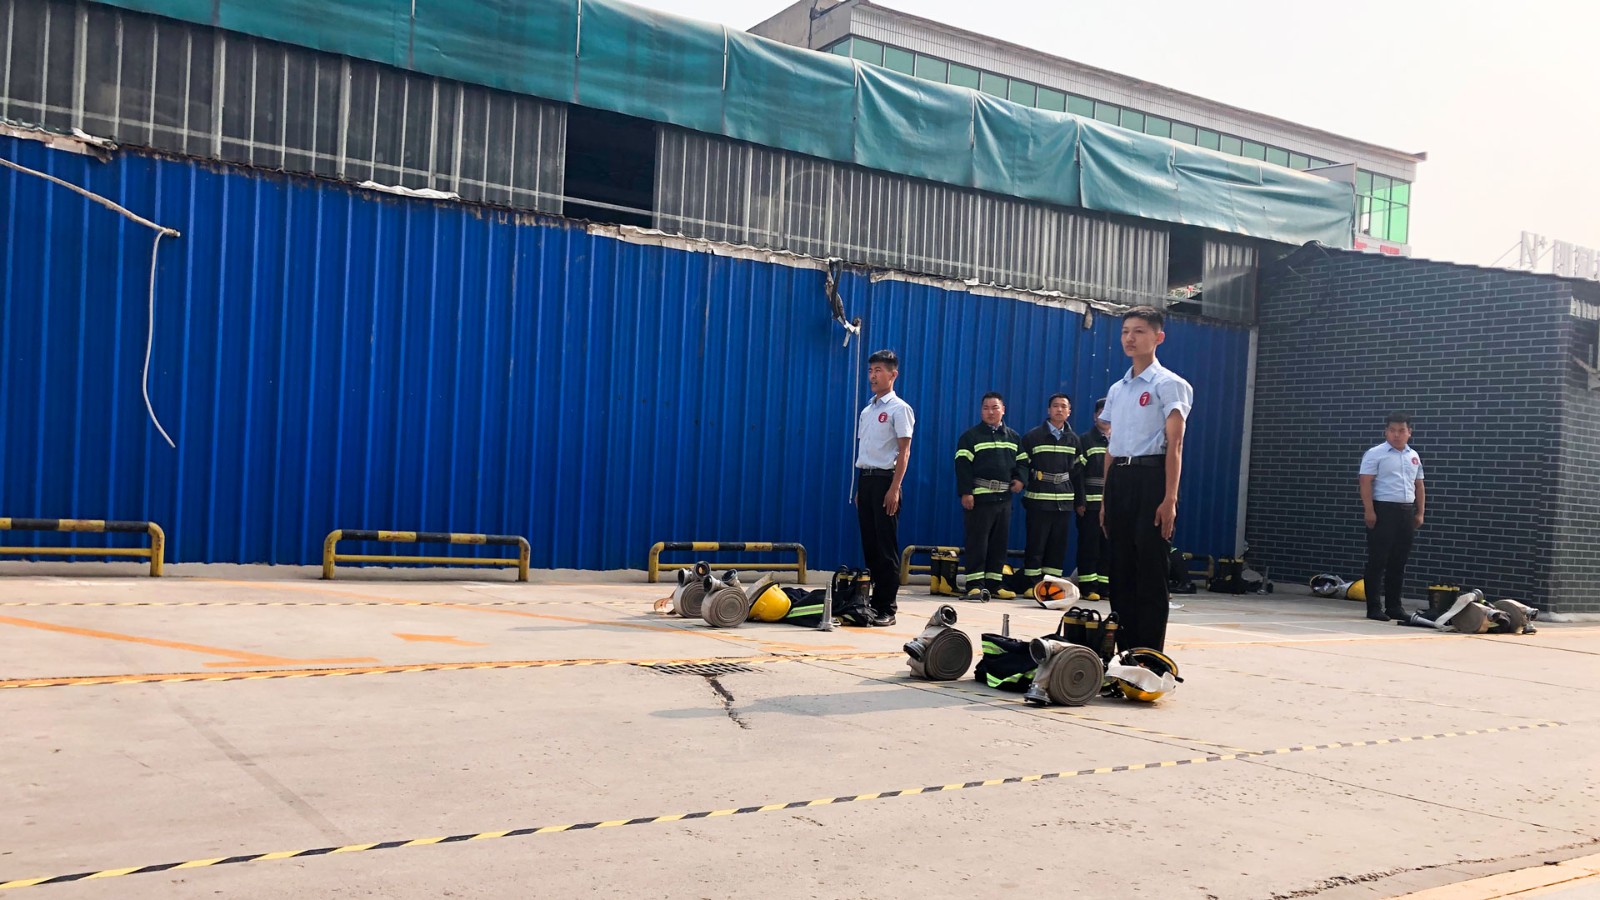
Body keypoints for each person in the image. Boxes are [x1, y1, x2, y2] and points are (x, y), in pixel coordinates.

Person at [1099, 307, 1192, 652]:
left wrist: (1170, 499)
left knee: (1150, 568)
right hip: (1119, 479)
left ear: (1158, 337)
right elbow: (1112, 446)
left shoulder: (1170, 385)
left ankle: (1149, 654)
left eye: (1139, 331)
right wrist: (1105, 499)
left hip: (1151, 477)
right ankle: (1124, 650)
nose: (1130, 338)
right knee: (1120, 568)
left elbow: (1175, 444)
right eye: (1125, 331)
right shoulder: (1117, 389)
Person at [854, 349, 914, 627]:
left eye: (878, 370)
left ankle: (887, 606)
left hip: (885, 481)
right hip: (866, 480)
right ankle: (872, 602)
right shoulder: (867, 410)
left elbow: (904, 452)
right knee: (870, 545)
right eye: (870, 370)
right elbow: (866, 450)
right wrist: (860, 487)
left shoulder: (899, 409)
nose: (873, 376)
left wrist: (894, 488)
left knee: (886, 546)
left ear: (893, 375)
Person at [954, 392, 1024, 599]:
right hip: (980, 499)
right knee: (977, 542)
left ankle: (995, 584)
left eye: (995, 408)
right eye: (986, 408)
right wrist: (966, 492)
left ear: (1003, 410)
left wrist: (1021, 479)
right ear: (981, 411)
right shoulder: (970, 437)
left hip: (1004, 499)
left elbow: (1023, 462)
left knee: (999, 543)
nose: (990, 412)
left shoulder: (1013, 437)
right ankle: (975, 583)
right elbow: (962, 466)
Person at [1358, 412, 1425, 622]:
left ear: (1409, 432)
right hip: (1383, 510)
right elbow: (1365, 482)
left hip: (1406, 511)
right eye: (1392, 430)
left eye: (1401, 431)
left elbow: (1419, 484)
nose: (1397, 435)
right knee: (1378, 559)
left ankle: (1394, 606)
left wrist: (1420, 512)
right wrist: (1369, 510)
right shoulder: (1375, 454)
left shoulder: (1413, 455)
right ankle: (1373, 607)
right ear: (1386, 432)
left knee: (1399, 560)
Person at [1018, 394, 1079, 594]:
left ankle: (1050, 588)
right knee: (1036, 545)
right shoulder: (1033, 437)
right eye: (1055, 406)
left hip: (1064, 502)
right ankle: (1032, 585)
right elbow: (1023, 466)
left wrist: (1079, 501)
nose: (1059, 410)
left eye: (1063, 406)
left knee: (1057, 547)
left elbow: (1077, 472)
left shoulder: (1074, 440)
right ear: (1048, 410)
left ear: (1069, 412)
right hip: (1039, 501)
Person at [1075, 398, 1110, 601]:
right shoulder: (1085, 440)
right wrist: (1080, 501)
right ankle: (1088, 587)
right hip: (1090, 505)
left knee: (1108, 546)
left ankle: (1105, 586)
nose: (1105, 417)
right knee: (1090, 546)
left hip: (1112, 505)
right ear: (1094, 416)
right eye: (1101, 413)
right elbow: (1078, 474)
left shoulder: (1120, 439)